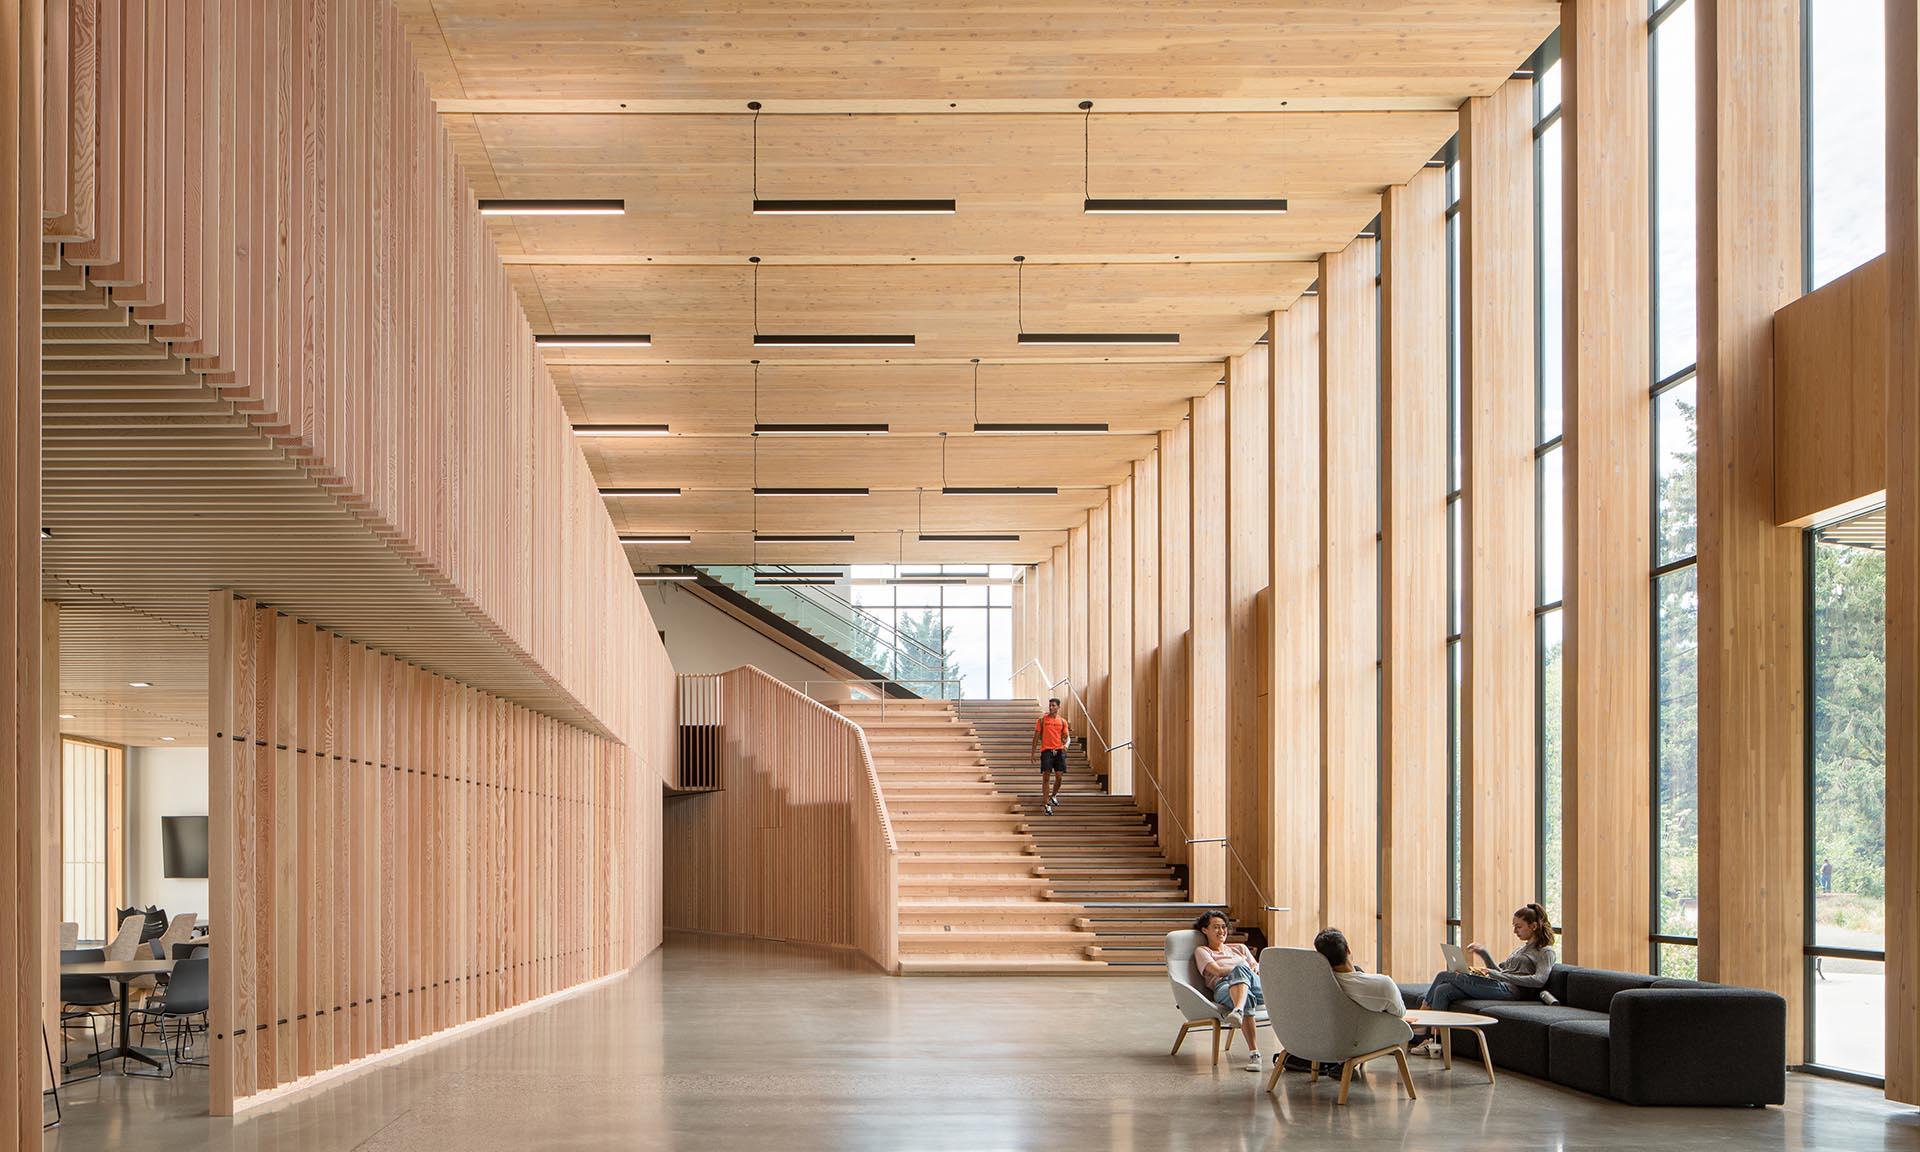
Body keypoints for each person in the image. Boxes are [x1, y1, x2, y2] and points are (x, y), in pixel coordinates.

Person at [1411, 903, 1556, 1046]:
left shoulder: (1545, 951)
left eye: (1518, 927)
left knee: (1444, 975)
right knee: (1443, 990)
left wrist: (1497, 975)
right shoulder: (1521, 949)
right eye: (1514, 926)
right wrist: (1483, 953)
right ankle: (1435, 1042)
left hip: (1511, 991)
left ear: (1534, 926)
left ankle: (1424, 1012)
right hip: (1500, 986)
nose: (1514, 931)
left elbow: (1539, 980)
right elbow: (1500, 973)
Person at [1191, 910, 1264, 1071]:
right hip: (1224, 987)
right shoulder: (1203, 951)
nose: (1221, 931)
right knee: (1248, 998)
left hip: (1254, 984)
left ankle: (1237, 1010)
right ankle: (1254, 1054)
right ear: (1205, 930)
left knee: (1242, 971)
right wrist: (1241, 967)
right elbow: (1216, 971)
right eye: (1216, 927)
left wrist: (1248, 968)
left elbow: (1256, 967)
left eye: (1224, 927)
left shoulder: (1240, 948)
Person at [1312, 928, 1405, 1018]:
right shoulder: (1384, 985)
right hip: (1378, 1029)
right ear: (1348, 949)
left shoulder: (1320, 986)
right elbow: (1400, 1014)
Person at [1030, 697, 1071, 815]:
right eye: (1050, 705)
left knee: (1059, 776)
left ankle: (1053, 795)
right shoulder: (1042, 720)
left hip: (1058, 751)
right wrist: (1033, 753)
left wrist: (1066, 745)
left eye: (1053, 705)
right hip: (1046, 751)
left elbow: (1067, 737)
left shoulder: (1063, 721)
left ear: (1058, 707)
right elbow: (1036, 737)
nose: (1051, 707)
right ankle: (1046, 803)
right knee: (1046, 777)